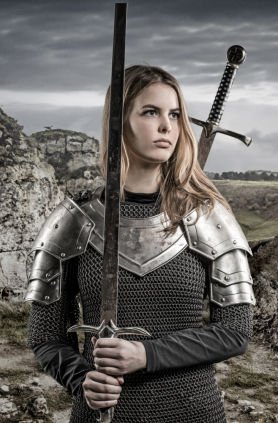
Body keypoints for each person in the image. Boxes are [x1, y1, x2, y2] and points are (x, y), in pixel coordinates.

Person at [25, 65, 254, 422]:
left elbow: (235, 331)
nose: (167, 127)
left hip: (192, 411)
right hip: (106, 415)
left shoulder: (207, 217)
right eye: (151, 112)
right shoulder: (74, 220)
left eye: (175, 115)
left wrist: (147, 355)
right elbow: (45, 336)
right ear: (119, 122)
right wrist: (82, 379)